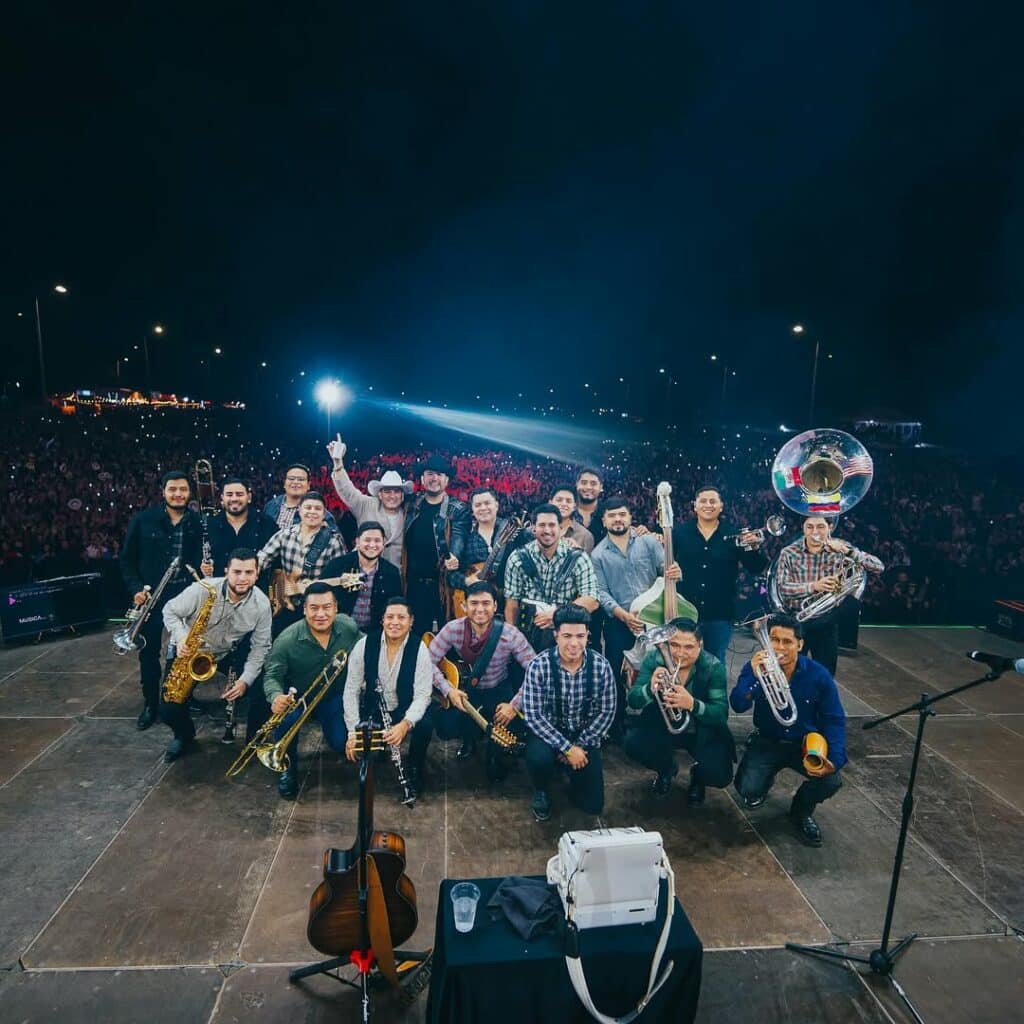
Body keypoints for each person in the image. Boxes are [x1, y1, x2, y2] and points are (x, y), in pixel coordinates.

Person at [731, 615, 846, 846]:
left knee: (831, 781)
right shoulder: (756, 666)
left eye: (787, 642)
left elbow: (834, 719)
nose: (779, 647)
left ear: (800, 644)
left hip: (804, 743)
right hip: (768, 740)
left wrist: (834, 758)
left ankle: (801, 811)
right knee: (747, 790)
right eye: (773, 640)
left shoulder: (818, 674)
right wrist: (754, 676)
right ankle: (765, 778)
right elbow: (738, 703)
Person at [159, 549, 273, 762]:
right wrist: (183, 637)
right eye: (237, 572)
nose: (242, 578)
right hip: (189, 651)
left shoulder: (262, 603)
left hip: (226, 652)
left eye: (249, 572)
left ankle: (254, 741)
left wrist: (244, 681)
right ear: (226, 571)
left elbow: (260, 648)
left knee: (264, 685)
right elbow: (169, 610)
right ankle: (184, 735)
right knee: (168, 707)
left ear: (257, 574)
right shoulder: (202, 590)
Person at [119, 469, 203, 730]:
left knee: (186, 651)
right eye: (172, 489)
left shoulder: (198, 522)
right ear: (163, 491)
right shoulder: (143, 520)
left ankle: (183, 696)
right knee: (149, 653)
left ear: (189, 493)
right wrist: (135, 589)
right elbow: (126, 559)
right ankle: (150, 704)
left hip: (186, 595)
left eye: (183, 490)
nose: (178, 494)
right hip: (151, 596)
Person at [262, 582, 362, 800]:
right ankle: (287, 768)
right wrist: (275, 696)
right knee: (284, 720)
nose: (321, 614)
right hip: (297, 699)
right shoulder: (287, 640)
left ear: (336, 608)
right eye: (314, 608)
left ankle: (332, 732)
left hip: (334, 698)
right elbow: (271, 675)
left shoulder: (347, 626)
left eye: (327, 607)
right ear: (304, 609)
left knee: (340, 743)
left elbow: (365, 647)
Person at [427, 581, 537, 780]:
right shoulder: (452, 629)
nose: (480, 609)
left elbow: (537, 671)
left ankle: (496, 753)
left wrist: (514, 704)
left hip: (498, 689)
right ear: (464, 606)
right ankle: (469, 740)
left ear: (495, 606)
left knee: (505, 733)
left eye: (486, 603)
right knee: (445, 725)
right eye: (474, 603)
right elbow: (426, 662)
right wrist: (448, 690)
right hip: (467, 691)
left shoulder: (510, 635)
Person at [591, 496, 681, 731]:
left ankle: (662, 719)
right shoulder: (598, 554)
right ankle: (617, 721)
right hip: (620, 622)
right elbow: (600, 592)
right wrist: (624, 616)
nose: (617, 519)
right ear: (603, 520)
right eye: (611, 515)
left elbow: (667, 572)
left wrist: (675, 572)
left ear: (630, 517)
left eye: (622, 514)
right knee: (614, 671)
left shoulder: (649, 543)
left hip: (654, 619)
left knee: (660, 668)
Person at [623, 619, 734, 803]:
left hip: (700, 729)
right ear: (666, 644)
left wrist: (692, 704)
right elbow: (633, 701)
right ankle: (666, 769)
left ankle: (698, 777)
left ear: (700, 645)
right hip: (662, 725)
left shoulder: (713, 667)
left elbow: (721, 714)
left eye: (689, 647)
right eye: (674, 645)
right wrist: (649, 689)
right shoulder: (654, 659)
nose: (680, 653)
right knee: (633, 744)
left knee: (719, 774)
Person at [521, 606, 616, 822]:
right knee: (538, 758)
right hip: (548, 733)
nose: (574, 643)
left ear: (588, 636)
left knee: (593, 806)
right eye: (566, 636)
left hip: (584, 735)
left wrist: (578, 747)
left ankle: (571, 773)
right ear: (556, 635)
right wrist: (566, 748)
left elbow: (607, 712)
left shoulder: (601, 666)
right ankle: (541, 789)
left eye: (580, 636)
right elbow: (533, 716)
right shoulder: (538, 665)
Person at [342, 596, 435, 798]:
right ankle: (375, 757)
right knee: (366, 744)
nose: (395, 622)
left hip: (405, 708)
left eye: (401, 617)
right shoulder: (363, 645)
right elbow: (351, 690)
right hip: (374, 708)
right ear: (382, 620)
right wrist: (353, 732)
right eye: (390, 617)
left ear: (411, 621)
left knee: (425, 725)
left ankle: (415, 766)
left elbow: (423, 695)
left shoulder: (420, 649)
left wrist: (405, 724)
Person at [774, 515, 884, 675]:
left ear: (830, 527)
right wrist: (814, 586)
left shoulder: (841, 548)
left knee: (825, 677)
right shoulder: (789, 553)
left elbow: (879, 567)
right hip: (796, 622)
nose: (815, 532)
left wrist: (848, 552)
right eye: (810, 527)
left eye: (820, 526)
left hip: (827, 623)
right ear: (803, 528)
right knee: (790, 676)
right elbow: (783, 589)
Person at [671, 485, 768, 665]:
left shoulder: (734, 534)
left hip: (720, 614)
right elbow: (664, 563)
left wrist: (754, 547)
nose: (708, 505)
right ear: (695, 505)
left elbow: (756, 567)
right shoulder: (679, 533)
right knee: (683, 663)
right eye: (703, 501)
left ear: (721, 506)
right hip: (686, 610)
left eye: (713, 501)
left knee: (715, 664)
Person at [503, 504, 599, 651]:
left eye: (552, 525)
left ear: (561, 529)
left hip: (566, 630)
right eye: (542, 525)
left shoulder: (578, 557)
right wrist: (513, 640)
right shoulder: (517, 558)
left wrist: (556, 614)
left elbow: (592, 600)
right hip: (529, 632)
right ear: (533, 528)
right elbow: (512, 604)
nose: (547, 530)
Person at [257, 491, 348, 636]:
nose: (312, 512)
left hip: (316, 608)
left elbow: (341, 576)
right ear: (299, 511)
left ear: (324, 513)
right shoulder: (285, 534)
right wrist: (249, 570)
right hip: (285, 605)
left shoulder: (333, 541)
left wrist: (317, 587)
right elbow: (263, 557)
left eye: (317, 509)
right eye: (308, 508)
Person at [403, 454, 468, 630]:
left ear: (446, 480)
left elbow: (459, 534)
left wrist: (453, 556)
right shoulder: (410, 504)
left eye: (439, 474)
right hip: (412, 585)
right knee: (415, 637)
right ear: (423, 478)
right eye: (430, 473)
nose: (434, 478)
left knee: (447, 639)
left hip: (443, 586)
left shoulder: (458, 509)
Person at [327, 437, 412, 568]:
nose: (392, 496)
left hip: (396, 578)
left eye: (396, 491)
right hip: (363, 573)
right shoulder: (366, 505)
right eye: (388, 492)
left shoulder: (409, 514)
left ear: (402, 495)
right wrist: (338, 465)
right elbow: (347, 490)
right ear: (380, 494)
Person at [447, 486, 528, 611]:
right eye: (478, 505)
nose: (483, 508)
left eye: (487, 503)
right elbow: (451, 576)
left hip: (509, 604)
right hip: (478, 607)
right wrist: (467, 581)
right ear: (472, 510)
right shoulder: (466, 539)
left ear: (496, 505)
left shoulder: (514, 531)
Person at [320, 521, 403, 632]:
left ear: (383, 543)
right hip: (338, 630)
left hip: (374, 633)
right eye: (367, 540)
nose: (372, 545)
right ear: (357, 542)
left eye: (377, 540)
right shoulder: (338, 565)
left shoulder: (391, 572)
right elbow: (320, 594)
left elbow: (396, 607)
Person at [202, 478, 277, 577]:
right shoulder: (210, 525)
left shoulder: (266, 523)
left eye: (239, 494)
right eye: (229, 495)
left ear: (249, 497)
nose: (234, 499)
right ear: (222, 498)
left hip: (257, 589)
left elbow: (277, 563)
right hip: (219, 589)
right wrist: (205, 567)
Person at [263, 463, 338, 532]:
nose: (295, 482)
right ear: (284, 483)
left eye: (301, 479)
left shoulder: (320, 514)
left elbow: (335, 541)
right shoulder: (270, 506)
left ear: (308, 485)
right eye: (291, 479)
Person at [550, 485, 595, 553]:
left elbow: (586, 562)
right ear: (551, 503)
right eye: (559, 500)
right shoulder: (535, 530)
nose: (564, 504)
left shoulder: (585, 536)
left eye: (568, 501)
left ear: (574, 506)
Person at [574, 467, 606, 546]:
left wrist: (640, 530)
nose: (588, 487)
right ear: (577, 484)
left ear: (601, 487)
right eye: (584, 483)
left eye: (593, 483)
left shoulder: (608, 512)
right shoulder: (566, 512)